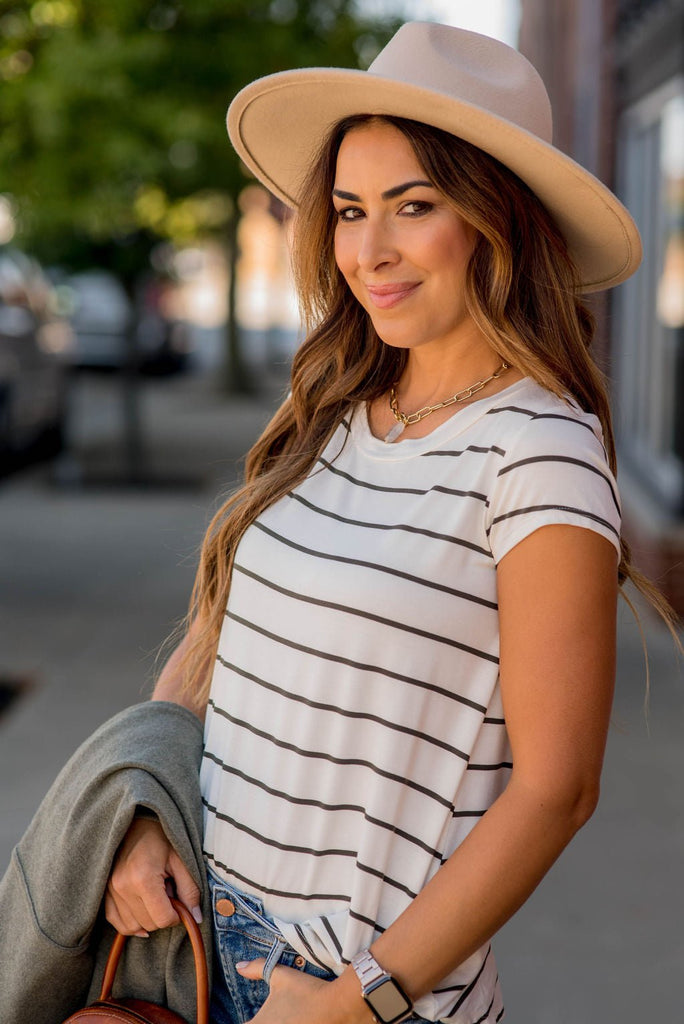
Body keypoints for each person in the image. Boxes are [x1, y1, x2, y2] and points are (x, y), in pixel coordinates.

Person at [104, 21, 660, 1024]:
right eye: (351, 210)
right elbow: (216, 638)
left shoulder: (536, 455)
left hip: (351, 992)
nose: (369, 251)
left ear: (503, 219)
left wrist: (363, 999)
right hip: (187, 942)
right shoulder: (330, 410)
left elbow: (556, 790)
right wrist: (141, 811)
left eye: (415, 206)